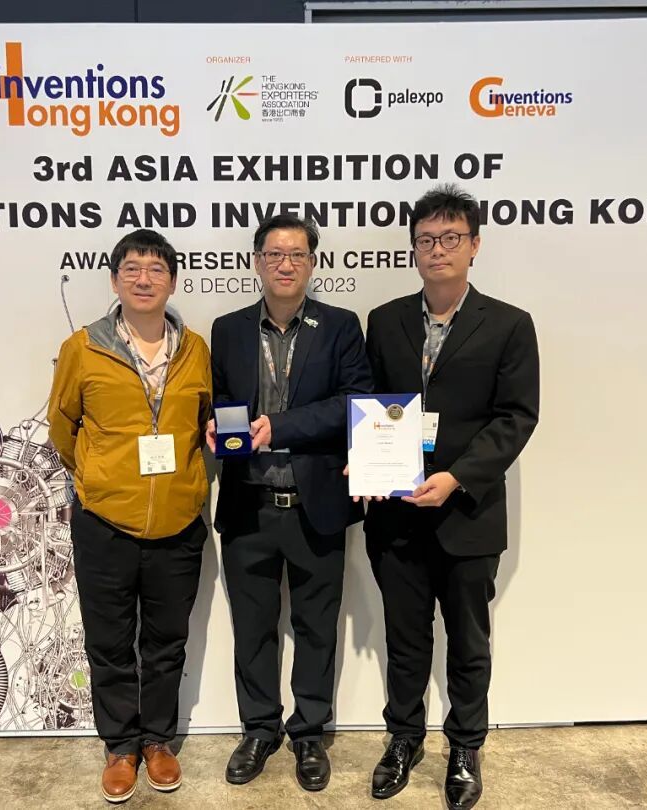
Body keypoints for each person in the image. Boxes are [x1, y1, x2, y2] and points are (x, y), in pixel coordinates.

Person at [362, 185, 539, 809]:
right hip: (396, 514)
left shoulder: (510, 324)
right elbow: (370, 406)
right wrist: (367, 463)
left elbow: (516, 417)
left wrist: (458, 477)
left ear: (474, 246)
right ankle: (403, 738)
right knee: (405, 638)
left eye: (450, 238)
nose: (437, 250)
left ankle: (465, 746)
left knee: (468, 641)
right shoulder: (384, 320)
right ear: (413, 248)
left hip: (468, 511)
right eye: (426, 240)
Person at [207, 214, 374, 791]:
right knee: (253, 627)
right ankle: (259, 729)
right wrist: (215, 426)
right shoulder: (228, 329)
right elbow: (221, 399)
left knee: (316, 626)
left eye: (297, 254)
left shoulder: (341, 326)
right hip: (248, 505)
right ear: (256, 261)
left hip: (315, 504)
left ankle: (309, 734)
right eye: (274, 254)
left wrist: (278, 426)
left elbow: (353, 402)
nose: (285, 264)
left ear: (311, 263)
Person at [48, 228, 212, 804]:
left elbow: (206, 421)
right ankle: (120, 746)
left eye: (156, 269)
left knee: (167, 641)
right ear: (115, 280)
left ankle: (158, 741)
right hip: (104, 523)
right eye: (133, 269)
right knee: (110, 640)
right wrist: (100, 478)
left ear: (173, 281)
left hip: (178, 521)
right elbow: (63, 427)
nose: (145, 279)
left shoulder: (195, 350)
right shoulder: (82, 348)